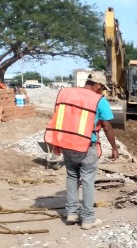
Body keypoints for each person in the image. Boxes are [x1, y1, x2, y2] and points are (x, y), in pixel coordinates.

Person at [44, 72, 119, 230]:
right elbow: (107, 126)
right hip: (86, 146)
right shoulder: (99, 100)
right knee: (87, 180)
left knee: (72, 177)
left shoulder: (66, 94)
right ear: (98, 85)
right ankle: (88, 219)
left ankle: (71, 213)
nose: (102, 91)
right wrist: (114, 147)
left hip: (67, 143)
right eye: (102, 88)